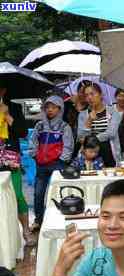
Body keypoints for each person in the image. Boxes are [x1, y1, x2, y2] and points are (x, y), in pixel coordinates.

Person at [30, 95, 74, 229]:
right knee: (38, 193)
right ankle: (39, 220)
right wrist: (34, 154)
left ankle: (59, 219)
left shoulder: (64, 126)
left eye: (53, 107)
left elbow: (68, 145)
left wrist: (62, 160)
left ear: (60, 109)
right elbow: (33, 141)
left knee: (57, 192)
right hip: (41, 164)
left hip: (57, 164)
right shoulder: (40, 125)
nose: (50, 110)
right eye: (47, 107)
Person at [0, 83, 34, 241]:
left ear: (4, 90)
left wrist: (7, 116)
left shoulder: (14, 107)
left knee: (17, 194)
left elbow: (22, 132)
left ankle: (26, 231)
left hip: (11, 156)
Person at [77, 83, 122, 167]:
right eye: (86, 95)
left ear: (101, 94)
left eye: (92, 94)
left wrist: (91, 139)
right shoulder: (83, 114)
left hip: (109, 153)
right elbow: (81, 137)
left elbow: (111, 133)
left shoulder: (113, 112)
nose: (89, 97)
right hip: (89, 155)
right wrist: (89, 120)